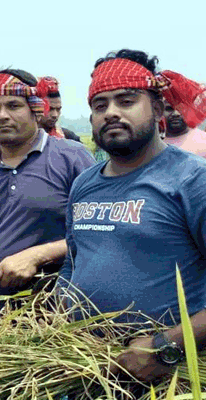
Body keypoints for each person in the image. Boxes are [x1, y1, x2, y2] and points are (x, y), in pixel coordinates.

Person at [60, 49, 206, 384]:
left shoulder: (192, 180)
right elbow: (73, 260)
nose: (111, 112)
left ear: (157, 109)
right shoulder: (84, 183)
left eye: (126, 101)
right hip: (86, 364)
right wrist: (59, 310)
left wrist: (167, 346)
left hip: (170, 377)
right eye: (100, 105)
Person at [0, 69, 94, 298]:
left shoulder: (72, 158)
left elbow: (99, 234)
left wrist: (37, 256)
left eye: (14, 106)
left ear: (35, 110)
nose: (2, 116)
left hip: (56, 312)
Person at [36, 76, 81, 142]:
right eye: (50, 109)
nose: (55, 115)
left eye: (58, 109)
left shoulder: (69, 138)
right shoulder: (24, 140)